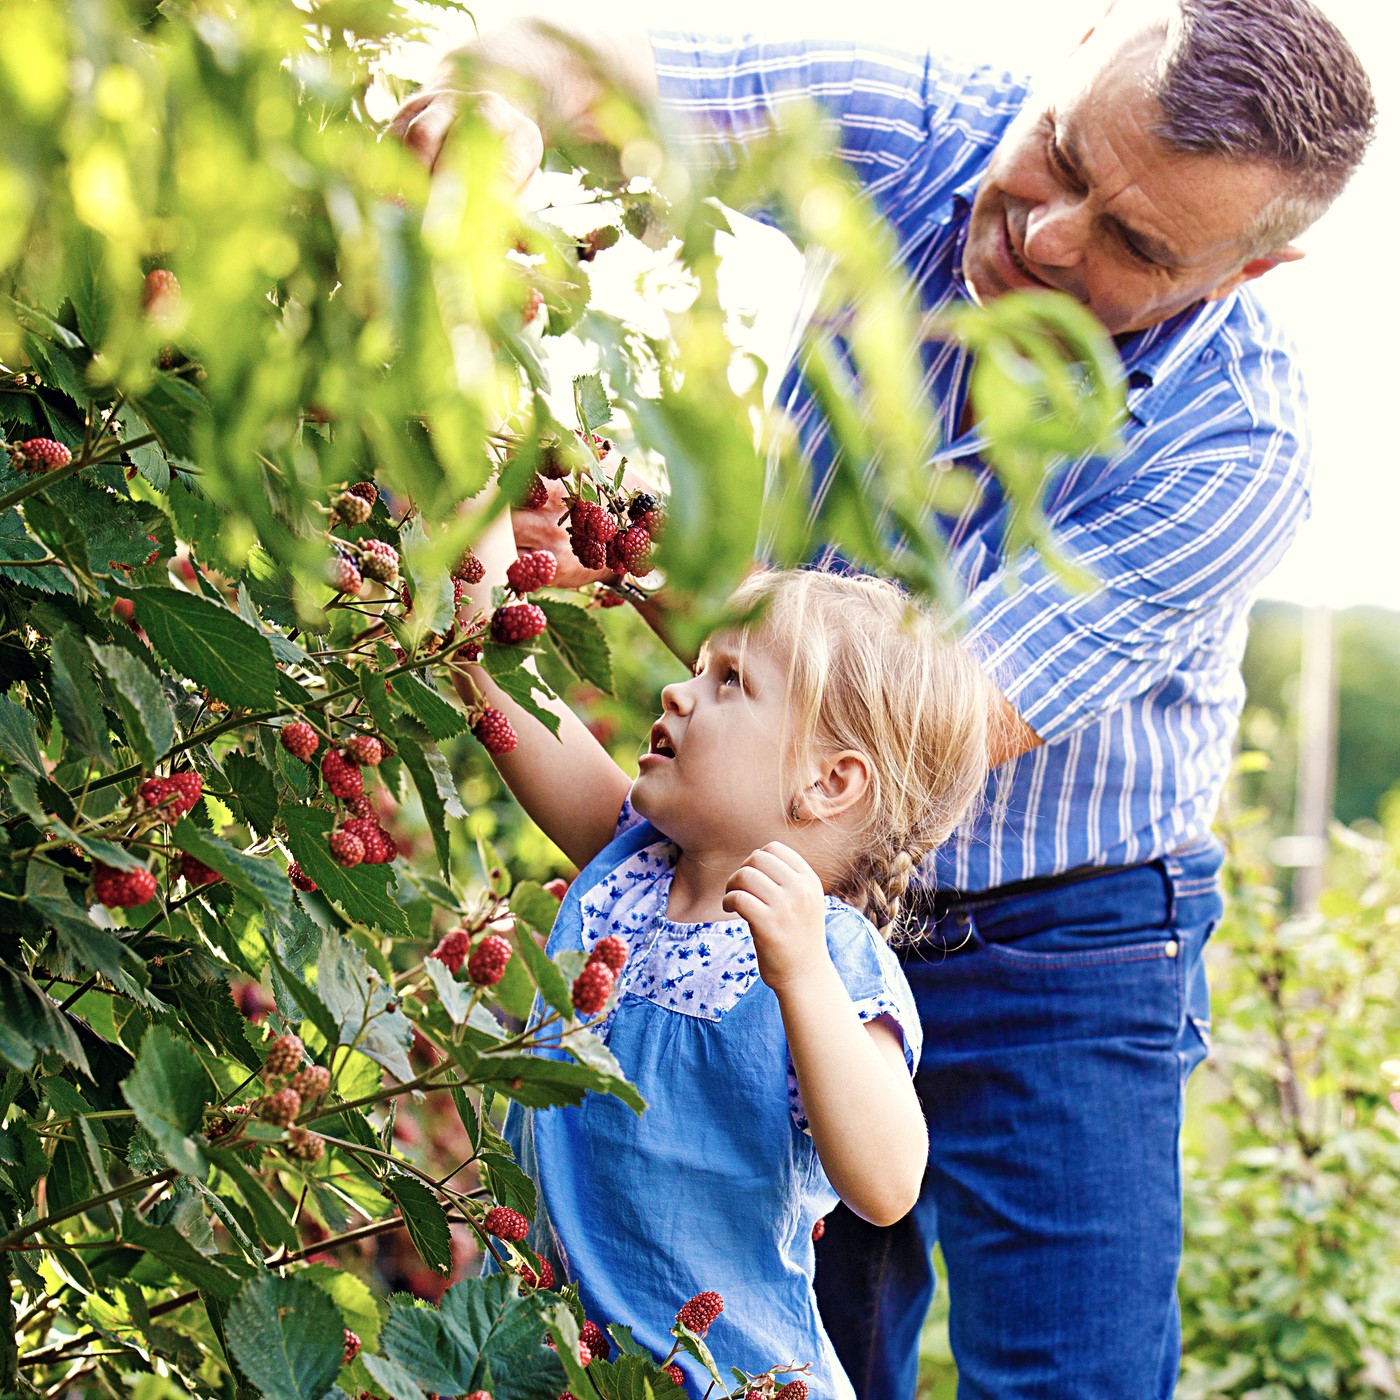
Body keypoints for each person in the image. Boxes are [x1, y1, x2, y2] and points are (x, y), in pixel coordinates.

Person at [395, 3, 1377, 1395]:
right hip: (769, 857)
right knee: (787, 1324)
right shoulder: (920, 114)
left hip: (1067, 931)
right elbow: (597, 68)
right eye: (1063, 155)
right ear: (1072, 54)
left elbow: (906, 724)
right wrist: (494, 116)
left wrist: (583, 517)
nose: (1048, 237)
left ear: (1252, 266)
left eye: (1135, 245)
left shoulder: (1237, 451)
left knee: (1069, 1371)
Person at [451, 509, 992, 1396]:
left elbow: (889, 1183)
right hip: (540, 1364)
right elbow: (480, 668)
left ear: (828, 781)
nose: (677, 691)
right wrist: (485, 479)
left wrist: (804, 980)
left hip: (721, 1379)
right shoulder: (624, 861)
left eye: (728, 679)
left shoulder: (832, 957)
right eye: (697, 668)